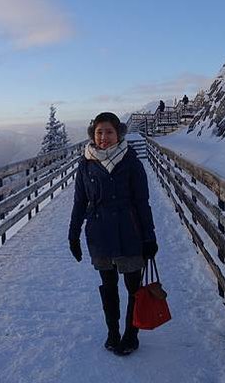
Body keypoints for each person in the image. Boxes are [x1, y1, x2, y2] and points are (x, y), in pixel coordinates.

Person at [68, 112, 158, 356]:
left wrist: (149, 237)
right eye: (99, 132)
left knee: (132, 287)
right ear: (93, 135)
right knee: (108, 285)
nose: (104, 137)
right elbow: (79, 202)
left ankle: (131, 333)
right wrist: (73, 235)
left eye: (108, 132)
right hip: (99, 234)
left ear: (118, 133)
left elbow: (142, 202)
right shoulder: (86, 164)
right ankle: (112, 332)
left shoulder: (131, 161)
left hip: (129, 232)